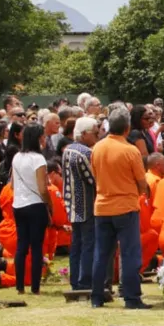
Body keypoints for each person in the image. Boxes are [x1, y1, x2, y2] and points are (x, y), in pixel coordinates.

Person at [91, 106, 151, 309]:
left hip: (102, 207)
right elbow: (142, 182)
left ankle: (97, 297)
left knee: (101, 254)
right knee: (130, 254)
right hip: (125, 207)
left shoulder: (97, 148)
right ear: (127, 128)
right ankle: (132, 298)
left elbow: (95, 174)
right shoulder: (130, 150)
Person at [10, 123, 50, 294]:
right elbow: (42, 188)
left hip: (18, 204)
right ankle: (35, 286)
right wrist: (48, 203)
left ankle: (19, 286)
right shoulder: (38, 159)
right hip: (35, 204)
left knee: (21, 246)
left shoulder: (17, 157)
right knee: (36, 247)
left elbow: (12, 184)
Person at [63, 117, 97, 291]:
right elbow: (93, 179)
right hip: (86, 204)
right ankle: (85, 281)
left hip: (72, 204)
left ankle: (75, 280)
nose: (97, 136)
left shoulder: (68, 149)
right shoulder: (86, 153)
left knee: (76, 244)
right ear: (84, 134)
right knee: (88, 243)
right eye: (95, 133)